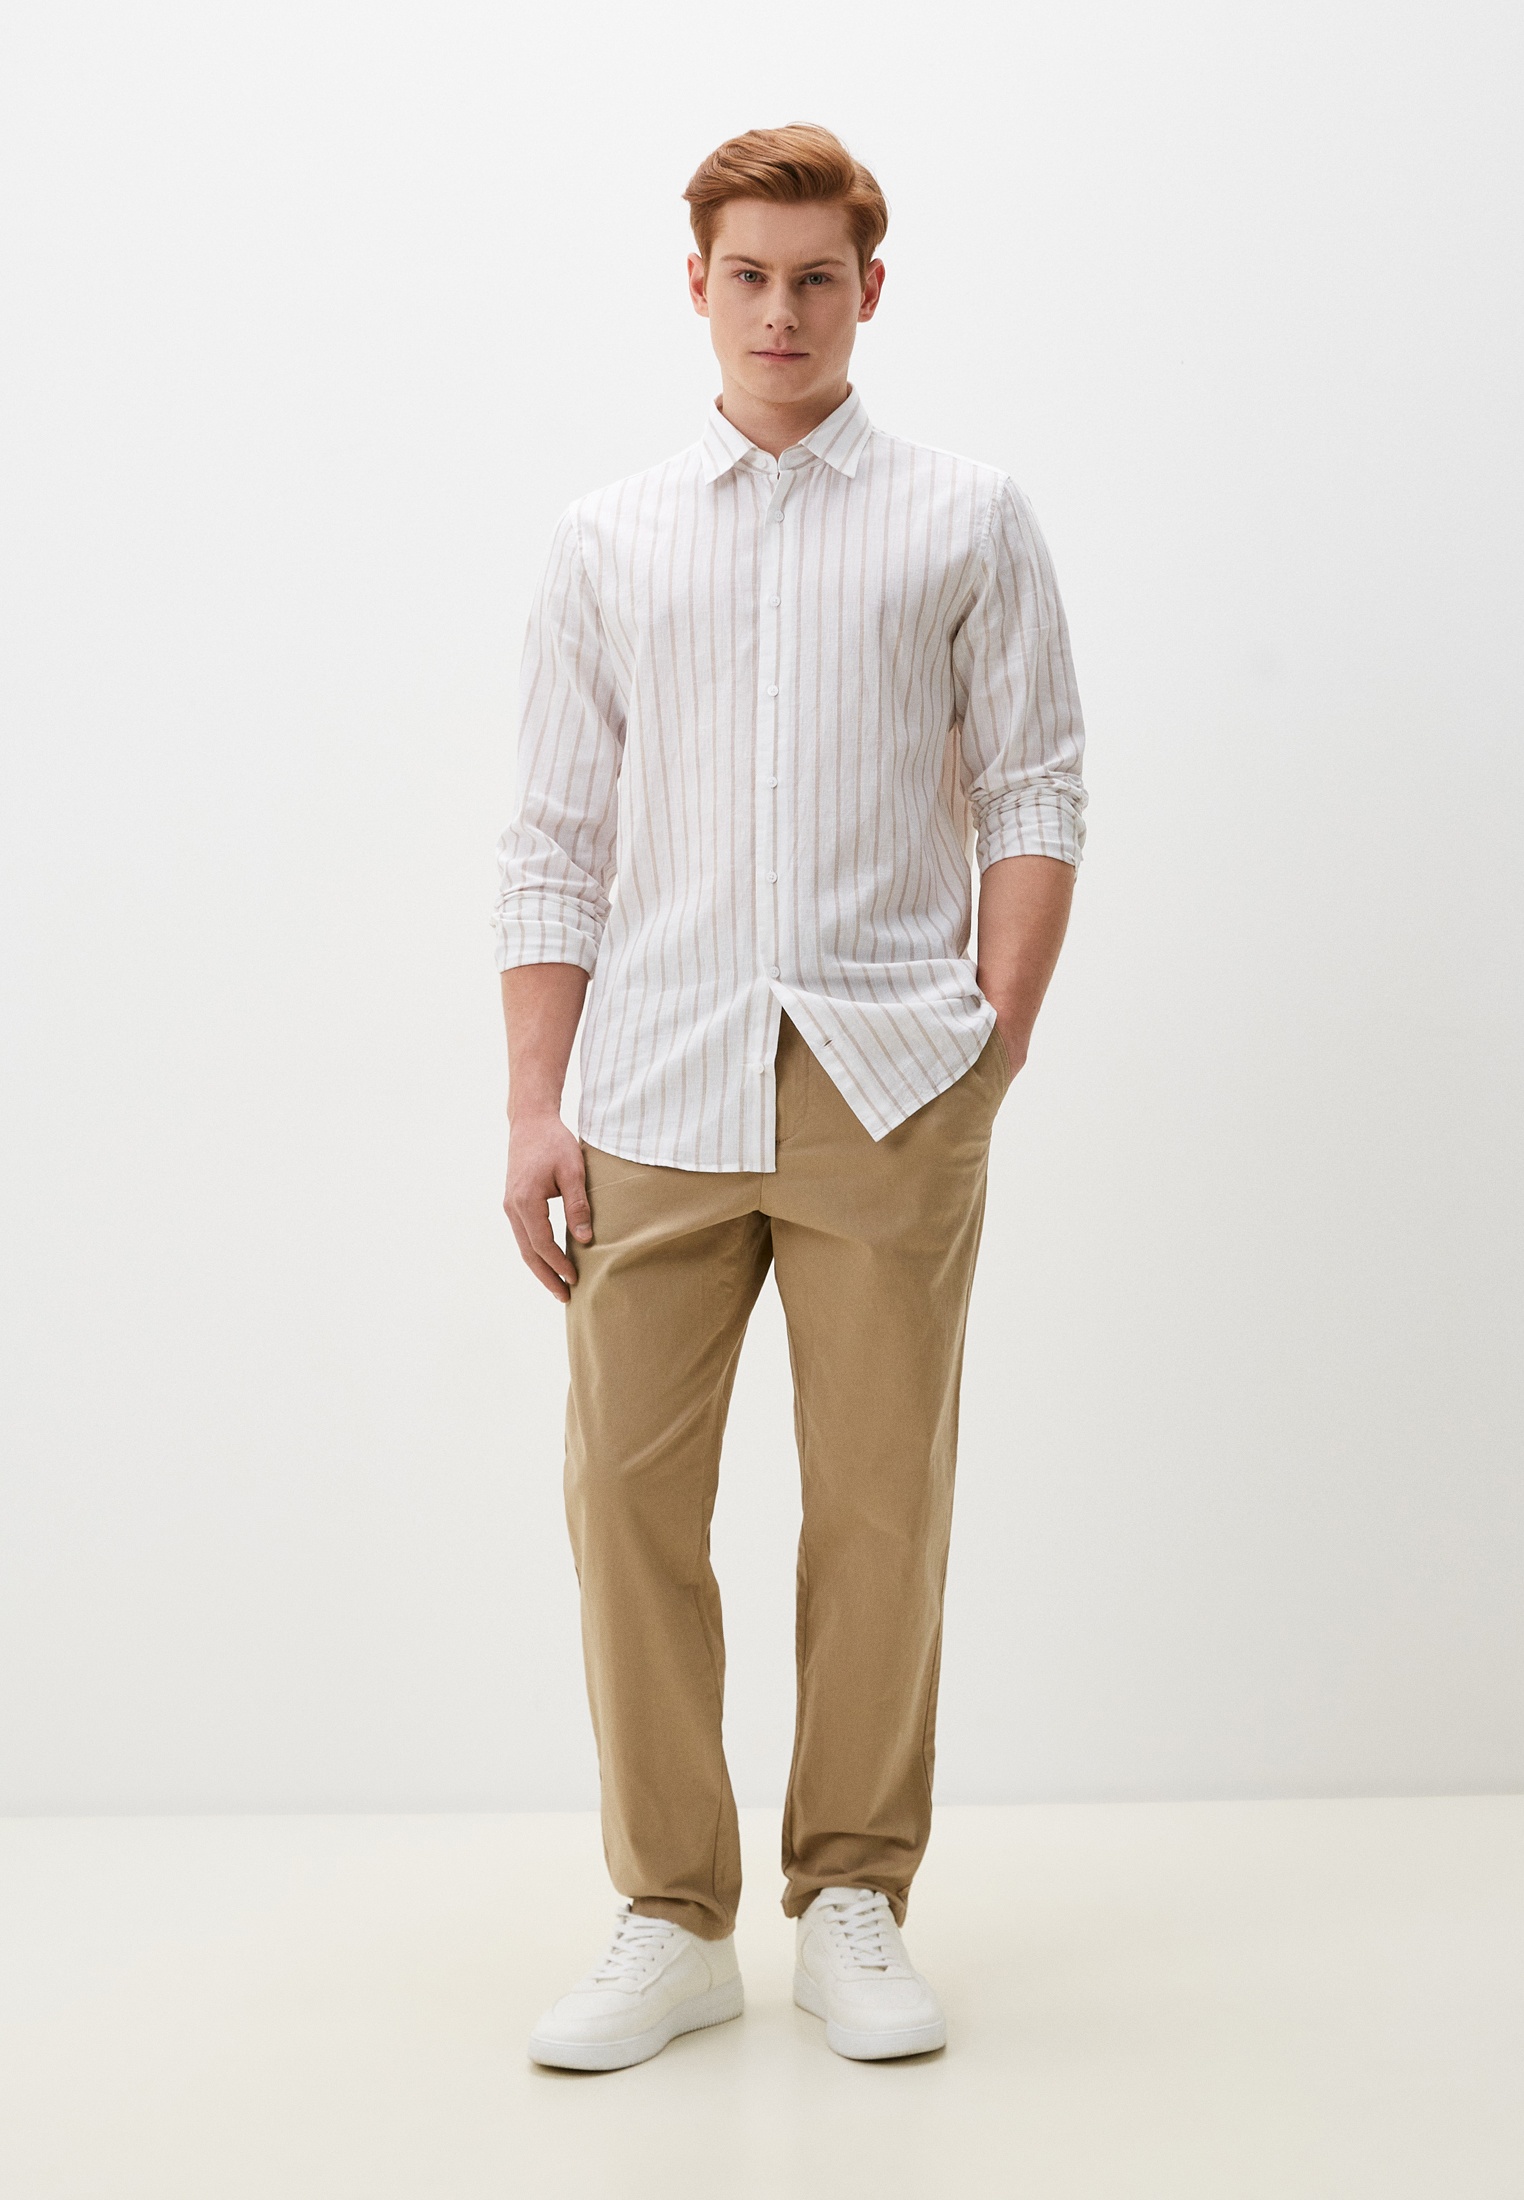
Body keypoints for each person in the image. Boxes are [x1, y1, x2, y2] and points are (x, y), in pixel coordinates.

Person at [493, 121, 1086, 2071]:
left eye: (815, 277)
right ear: (697, 286)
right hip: (653, 1083)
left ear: (868, 291)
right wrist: (535, 1102)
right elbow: (554, 840)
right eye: (747, 276)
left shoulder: (966, 516)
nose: (780, 311)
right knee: (625, 1501)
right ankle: (672, 1914)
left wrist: (989, 1043)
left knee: (881, 1502)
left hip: (888, 1081)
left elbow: (1037, 786)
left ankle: (852, 1895)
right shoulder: (608, 538)